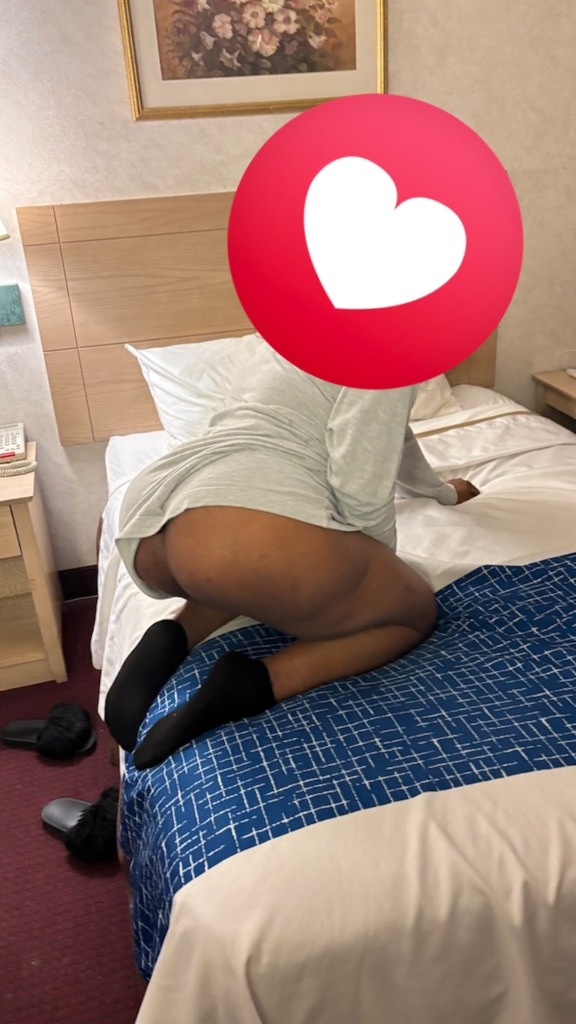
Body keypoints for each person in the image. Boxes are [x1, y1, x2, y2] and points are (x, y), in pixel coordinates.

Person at [105, 339, 479, 769]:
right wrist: (367, 575)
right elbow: (361, 483)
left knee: (247, 566)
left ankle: (173, 635)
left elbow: (390, 436)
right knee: (412, 611)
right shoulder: (392, 345)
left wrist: (440, 492)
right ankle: (251, 683)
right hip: (240, 531)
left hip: (158, 518)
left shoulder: (292, 336)